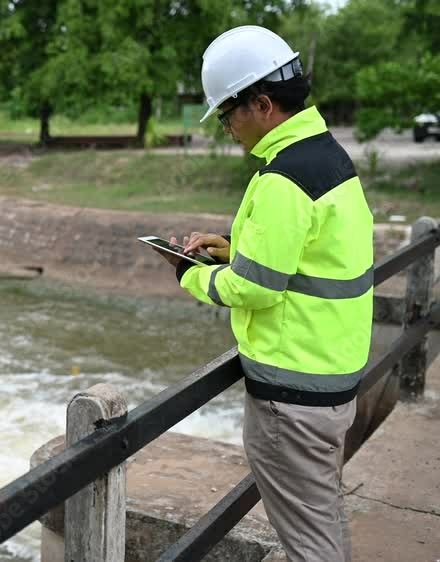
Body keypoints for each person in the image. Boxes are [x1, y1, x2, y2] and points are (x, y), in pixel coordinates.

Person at [153, 25, 374, 562]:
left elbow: (253, 288)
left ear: (263, 105)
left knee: (308, 542)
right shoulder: (326, 156)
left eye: (227, 115)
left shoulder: (283, 179)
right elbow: (311, 255)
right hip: (331, 375)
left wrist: (188, 273)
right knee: (321, 517)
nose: (227, 128)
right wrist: (234, 249)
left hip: (292, 394)